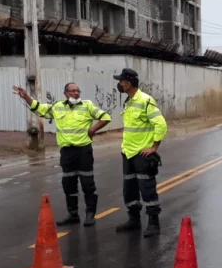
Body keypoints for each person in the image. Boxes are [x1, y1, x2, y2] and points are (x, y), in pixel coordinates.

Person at [13, 82, 111, 226]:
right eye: (72, 91)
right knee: (68, 184)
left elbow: (105, 117)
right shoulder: (58, 106)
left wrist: (92, 130)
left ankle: (90, 214)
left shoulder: (87, 105)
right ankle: (73, 215)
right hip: (67, 152)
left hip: (83, 151)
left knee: (87, 184)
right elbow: (39, 108)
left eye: (78, 91)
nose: (76, 93)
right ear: (65, 93)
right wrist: (26, 96)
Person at [113, 68, 167, 237]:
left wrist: (154, 147)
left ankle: (153, 223)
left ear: (128, 84)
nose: (119, 84)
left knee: (147, 189)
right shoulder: (129, 101)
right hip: (128, 153)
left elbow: (161, 124)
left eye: (121, 81)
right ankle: (134, 219)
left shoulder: (145, 100)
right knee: (129, 189)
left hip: (142, 155)